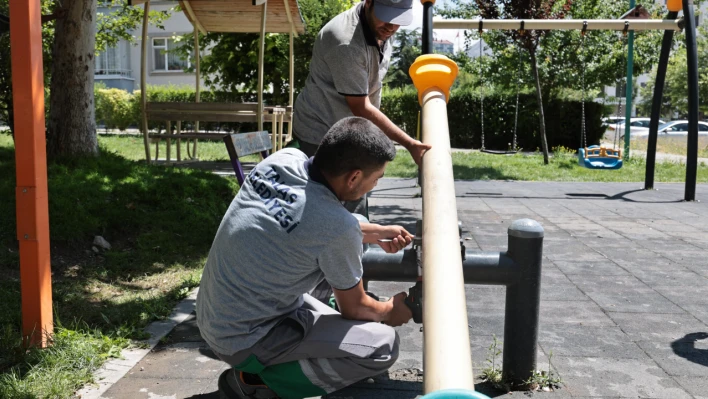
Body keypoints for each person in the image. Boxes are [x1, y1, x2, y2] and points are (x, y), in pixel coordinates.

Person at [197, 117, 414, 399]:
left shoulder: (283, 160)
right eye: (377, 178)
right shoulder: (337, 229)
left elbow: (310, 219)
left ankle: (298, 346)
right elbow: (356, 308)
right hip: (245, 339)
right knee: (382, 344)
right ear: (354, 177)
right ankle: (256, 383)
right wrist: (391, 310)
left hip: (216, 317)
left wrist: (377, 232)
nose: (375, 185)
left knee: (345, 247)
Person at [292, 0, 430, 166]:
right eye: (386, 16)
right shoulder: (345, 41)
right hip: (320, 132)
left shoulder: (382, 30)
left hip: (353, 130)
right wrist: (409, 143)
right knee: (326, 190)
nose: (391, 26)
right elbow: (360, 106)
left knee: (358, 187)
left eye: (398, 19)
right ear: (369, 3)